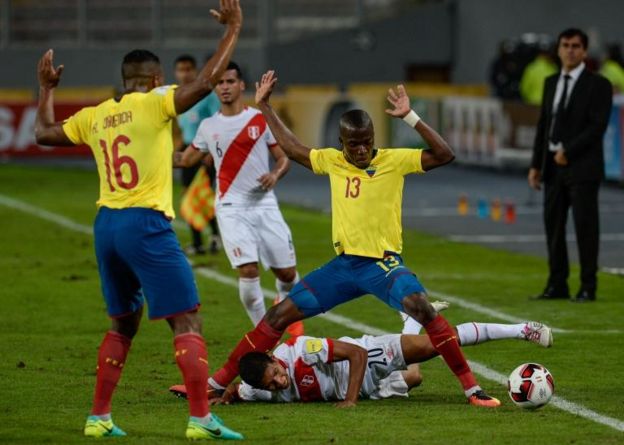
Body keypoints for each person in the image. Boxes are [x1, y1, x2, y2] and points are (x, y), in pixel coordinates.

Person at [202, 70, 502, 408]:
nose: (361, 150)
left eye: (366, 141)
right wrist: (266, 106)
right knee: (277, 316)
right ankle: (216, 383)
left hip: (382, 264)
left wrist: (411, 117)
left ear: (374, 137)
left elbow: (445, 154)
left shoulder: (394, 160)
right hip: (343, 268)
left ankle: (472, 390)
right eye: (353, 144)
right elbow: (293, 148)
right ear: (342, 143)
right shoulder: (331, 161)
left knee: (423, 310)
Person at [34, 0, 244, 440]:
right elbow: (206, 82)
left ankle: (99, 417)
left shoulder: (96, 114)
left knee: (123, 322)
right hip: (144, 224)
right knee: (188, 320)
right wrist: (233, 28)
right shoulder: (155, 102)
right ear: (154, 79)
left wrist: (47, 89)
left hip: (106, 226)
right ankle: (202, 419)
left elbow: (43, 134)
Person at [175, 62, 303, 336]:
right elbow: (185, 159)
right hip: (231, 207)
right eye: (219, 83)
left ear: (241, 85)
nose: (224, 87)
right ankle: (264, 335)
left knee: (288, 276)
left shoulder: (259, 119)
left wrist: (275, 174)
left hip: (265, 204)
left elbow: (284, 158)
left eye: (230, 82)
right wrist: (151, 155)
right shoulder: (209, 126)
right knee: (247, 270)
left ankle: (283, 301)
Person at [171, 319, 552, 405]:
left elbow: (353, 355)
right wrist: (212, 397)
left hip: (367, 358)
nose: (278, 383)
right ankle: (410, 319)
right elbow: (236, 391)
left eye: (275, 373)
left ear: (275, 358)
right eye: (271, 384)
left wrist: (350, 400)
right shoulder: (258, 387)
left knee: (439, 342)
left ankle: (521, 329)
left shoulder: (302, 350)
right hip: (367, 388)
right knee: (416, 379)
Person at [528, 28, 612, 303]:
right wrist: (536, 164)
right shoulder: (551, 81)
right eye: (565, 45)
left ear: (585, 52)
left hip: (582, 166)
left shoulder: (598, 84)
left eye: (576, 46)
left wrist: (569, 151)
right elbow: (544, 125)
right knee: (553, 227)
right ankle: (557, 284)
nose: (570, 50)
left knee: (585, 228)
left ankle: (588, 286)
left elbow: (597, 126)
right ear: (559, 49)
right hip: (552, 166)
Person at [173, 54, 222, 255]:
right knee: (188, 196)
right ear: (176, 73)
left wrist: (211, 152)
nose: (184, 74)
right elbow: (181, 129)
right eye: (181, 70)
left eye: (188, 69)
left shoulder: (206, 95)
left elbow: (217, 120)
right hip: (187, 148)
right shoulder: (178, 96)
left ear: (195, 71)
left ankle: (215, 236)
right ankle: (198, 243)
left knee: (203, 195)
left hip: (204, 150)